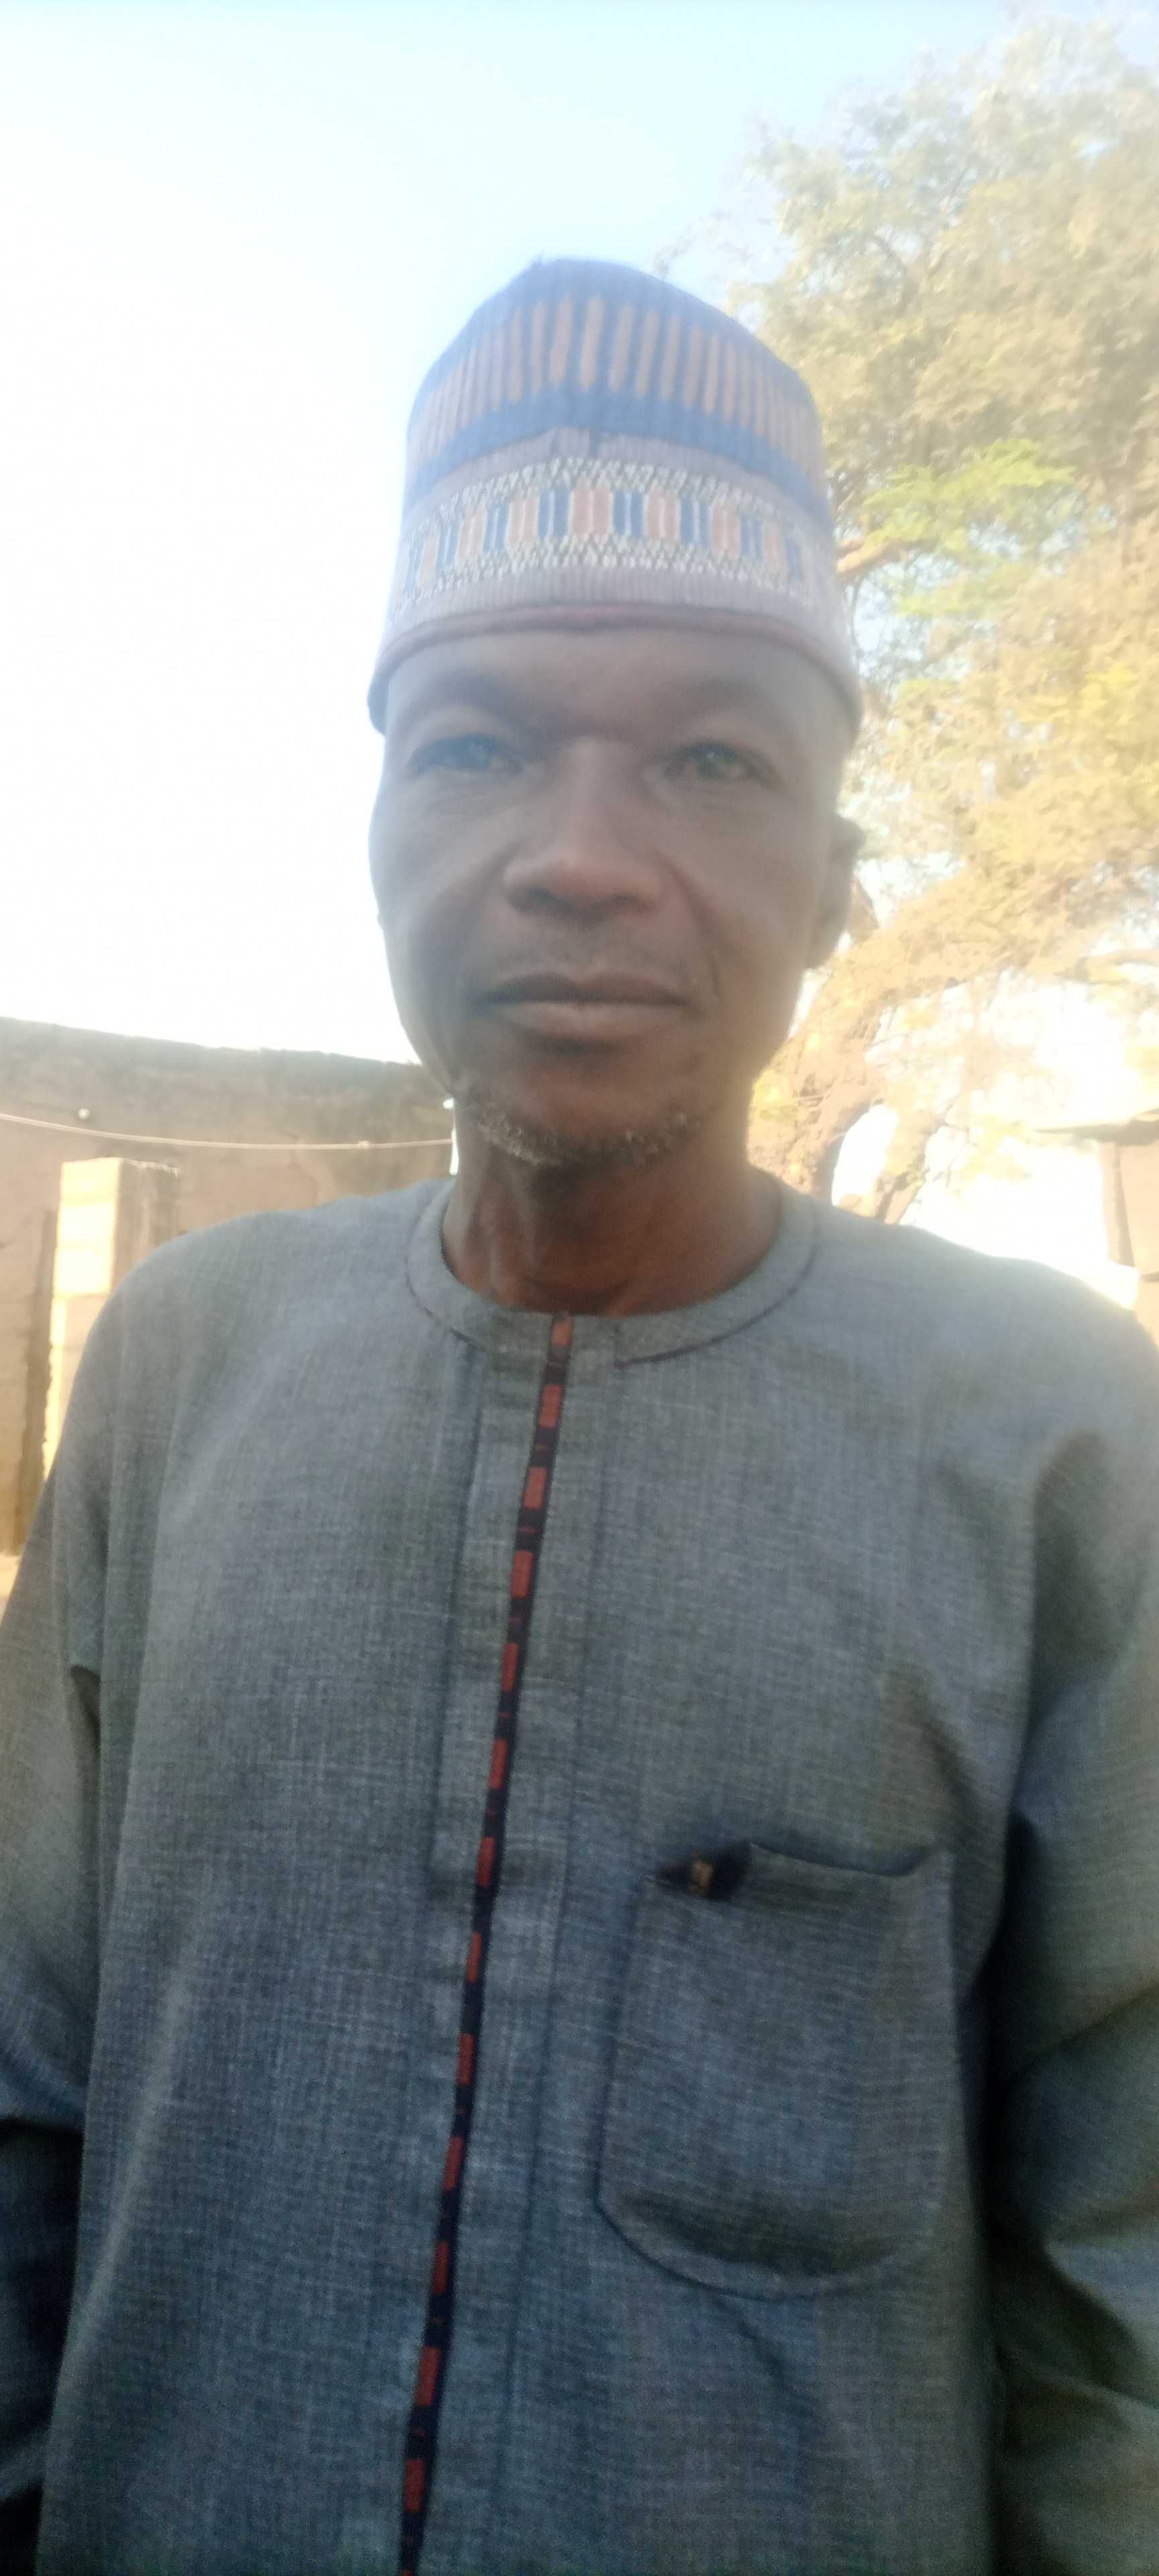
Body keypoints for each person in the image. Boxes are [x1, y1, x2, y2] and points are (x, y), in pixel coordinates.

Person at [2, 257, 1157, 2576]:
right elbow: (28, 2086)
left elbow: (1121, 2274)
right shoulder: (185, 1366)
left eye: (715, 760)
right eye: (477, 746)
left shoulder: (1056, 1440)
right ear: (377, 834)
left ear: (834, 888)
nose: (579, 855)